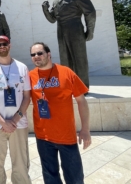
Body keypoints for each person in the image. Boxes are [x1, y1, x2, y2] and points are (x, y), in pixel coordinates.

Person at [29, 42, 91, 184]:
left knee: (74, 178)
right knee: (50, 178)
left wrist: (85, 129)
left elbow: (82, 101)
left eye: (40, 53)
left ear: (48, 54)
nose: (36, 57)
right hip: (43, 137)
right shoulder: (30, 76)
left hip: (66, 136)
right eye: (33, 55)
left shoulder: (66, 72)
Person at [0, 35, 32, 184]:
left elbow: (27, 96)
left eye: (5, 44)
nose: (2, 46)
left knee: (21, 162)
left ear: (10, 46)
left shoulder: (22, 67)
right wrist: (3, 122)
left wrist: (15, 119)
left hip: (19, 125)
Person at [42, 0, 96, 88]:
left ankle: (82, 87)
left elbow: (90, 12)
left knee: (79, 58)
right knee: (65, 58)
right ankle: (68, 85)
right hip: (61, 30)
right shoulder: (57, 0)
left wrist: (90, 31)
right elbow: (52, 19)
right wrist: (45, 10)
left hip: (75, 28)